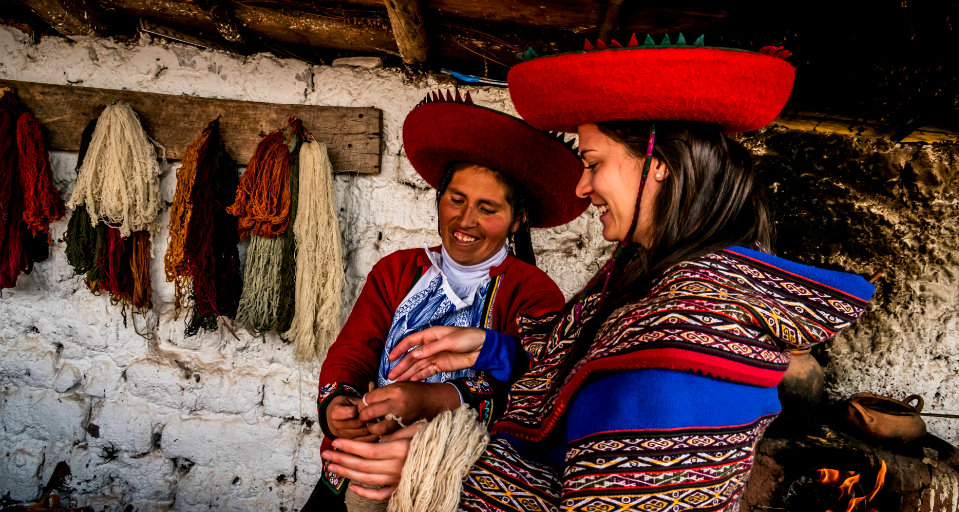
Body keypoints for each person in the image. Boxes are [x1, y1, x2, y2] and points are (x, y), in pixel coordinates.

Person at [321, 38, 876, 511]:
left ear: (658, 163)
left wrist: (437, 460)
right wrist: (487, 347)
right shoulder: (642, 284)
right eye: (455, 200)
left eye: (592, 163)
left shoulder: (694, 319)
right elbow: (573, 382)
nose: (583, 188)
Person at [302, 90, 589, 509]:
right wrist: (337, 404)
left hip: (456, 478)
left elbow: (533, 383)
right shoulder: (398, 272)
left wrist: (432, 400)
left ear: (517, 219)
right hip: (368, 463)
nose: (465, 220)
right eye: (456, 200)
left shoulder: (531, 290)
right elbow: (353, 349)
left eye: (487, 208)